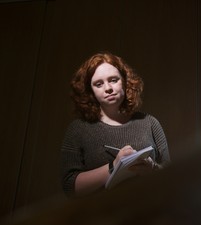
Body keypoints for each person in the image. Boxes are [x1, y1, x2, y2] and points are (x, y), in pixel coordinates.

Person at [61, 52, 170, 196]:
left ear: (125, 82)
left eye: (113, 80)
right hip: (100, 215)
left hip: (149, 211)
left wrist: (153, 168)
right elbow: (69, 187)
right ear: (90, 91)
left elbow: (170, 176)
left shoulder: (149, 123)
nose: (108, 88)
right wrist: (114, 166)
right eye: (98, 84)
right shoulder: (78, 129)